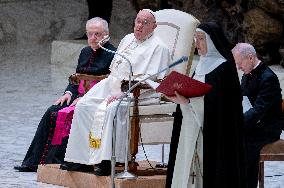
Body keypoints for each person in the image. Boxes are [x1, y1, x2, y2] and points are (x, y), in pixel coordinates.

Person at [60, 9, 171, 175]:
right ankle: (80, 159)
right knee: (84, 104)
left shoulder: (159, 48)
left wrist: (125, 91)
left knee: (112, 108)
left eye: (145, 23)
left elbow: (154, 80)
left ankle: (106, 161)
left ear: (154, 27)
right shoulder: (127, 39)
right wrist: (115, 87)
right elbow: (116, 69)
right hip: (115, 83)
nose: (139, 26)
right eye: (138, 21)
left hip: (139, 92)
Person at [14, 17, 116, 172]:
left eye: (98, 34)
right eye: (90, 34)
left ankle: (59, 160)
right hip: (77, 97)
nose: (93, 38)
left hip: (95, 101)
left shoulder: (113, 54)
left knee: (66, 116)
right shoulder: (85, 52)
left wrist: (85, 98)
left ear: (106, 34)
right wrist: (68, 92)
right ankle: (34, 162)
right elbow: (76, 77)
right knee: (52, 111)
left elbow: (109, 84)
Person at [165, 22, 247, 188]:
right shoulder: (200, 65)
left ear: (213, 42)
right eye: (196, 38)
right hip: (191, 126)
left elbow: (223, 107)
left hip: (215, 135)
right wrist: (181, 101)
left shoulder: (224, 69)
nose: (197, 43)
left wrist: (188, 102)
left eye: (201, 39)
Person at [232, 43, 282, 188]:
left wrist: (238, 124)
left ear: (250, 57)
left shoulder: (268, 78)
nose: (238, 67)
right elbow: (241, 100)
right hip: (253, 122)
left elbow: (259, 110)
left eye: (240, 63)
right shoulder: (246, 75)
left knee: (245, 142)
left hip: (268, 127)